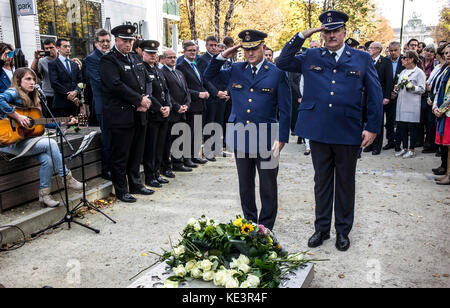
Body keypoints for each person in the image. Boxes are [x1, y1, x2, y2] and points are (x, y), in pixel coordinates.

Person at [277, 10, 383, 251]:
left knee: (345, 182)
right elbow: (282, 61)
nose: (332, 35)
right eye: (327, 30)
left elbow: (375, 95)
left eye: (336, 30)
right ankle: (322, 228)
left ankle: (343, 231)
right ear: (321, 33)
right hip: (319, 129)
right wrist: (303, 35)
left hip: (348, 130)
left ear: (345, 32)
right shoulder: (311, 55)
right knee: (322, 181)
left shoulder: (362, 58)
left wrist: (372, 127)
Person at [204, 29, 291, 231]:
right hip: (241, 135)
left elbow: (286, 109)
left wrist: (283, 137)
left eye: (254, 49)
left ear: (263, 47)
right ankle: (250, 223)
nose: (250, 53)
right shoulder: (236, 69)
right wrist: (223, 55)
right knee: (245, 184)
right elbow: (209, 76)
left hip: (267, 137)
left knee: (268, 184)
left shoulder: (276, 73)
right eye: (246, 49)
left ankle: (266, 226)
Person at [0, 68, 82, 207]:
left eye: (33, 79)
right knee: (50, 143)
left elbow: (41, 124)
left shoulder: (33, 99)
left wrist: (63, 122)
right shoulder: (13, 92)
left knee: (47, 160)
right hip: (10, 141)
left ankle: (44, 195)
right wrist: (17, 116)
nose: (32, 82)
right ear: (18, 81)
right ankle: (66, 177)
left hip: (25, 140)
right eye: (28, 79)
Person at [99, 25, 153, 203]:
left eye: (130, 41)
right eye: (124, 41)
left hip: (139, 114)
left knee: (137, 152)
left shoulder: (134, 58)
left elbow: (145, 80)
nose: (128, 44)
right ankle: (122, 190)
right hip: (120, 115)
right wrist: (139, 100)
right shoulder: (108, 60)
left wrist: (145, 100)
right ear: (116, 40)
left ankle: (136, 184)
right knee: (121, 155)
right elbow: (115, 85)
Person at [140, 40, 172, 188]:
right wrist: (160, 107)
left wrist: (168, 106)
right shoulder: (142, 69)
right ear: (143, 54)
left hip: (163, 113)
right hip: (153, 114)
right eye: (150, 53)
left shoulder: (158, 69)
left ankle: (157, 173)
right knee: (151, 147)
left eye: (154, 54)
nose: (152, 56)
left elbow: (166, 90)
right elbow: (147, 93)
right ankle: (150, 176)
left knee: (160, 146)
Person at [84, 28, 112, 181]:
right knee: (107, 139)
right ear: (96, 43)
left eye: (108, 41)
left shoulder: (112, 56)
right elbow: (99, 82)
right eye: (102, 41)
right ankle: (106, 169)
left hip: (116, 105)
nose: (105, 44)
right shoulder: (92, 59)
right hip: (104, 105)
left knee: (116, 139)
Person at [176, 41, 210, 166]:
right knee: (189, 132)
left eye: (194, 50)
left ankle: (195, 155)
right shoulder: (181, 66)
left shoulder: (194, 65)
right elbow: (183, 88)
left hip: (200, 104)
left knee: (197, 132)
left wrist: (205, 91)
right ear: (184, 51)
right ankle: (187, 158)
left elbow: (199, 83)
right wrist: (198, 94)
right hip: (191, 104)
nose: (192, 52)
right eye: (190, 50)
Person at [197, 36, 229, 161]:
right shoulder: (202, 59)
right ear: (206, 46)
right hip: (211, 96)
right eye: (211, 45)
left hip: (222, 96)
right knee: (210, 124)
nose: (213, 47)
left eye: (215, 45)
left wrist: (226, 91)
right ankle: (208, 151)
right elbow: (204, 79)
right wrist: (216, 92)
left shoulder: (220, 58)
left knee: (219, 123)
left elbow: (225, 76)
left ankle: (218, 148)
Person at [161, 49, 192, 174]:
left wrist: (187, 105)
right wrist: (176, 106)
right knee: (168, 141)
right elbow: (166, 92)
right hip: (172, 112)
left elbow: (186, 91)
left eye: (174, 57)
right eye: (170, 57)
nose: (173, 60)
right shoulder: (162, 72)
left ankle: (178, 162)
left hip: (182, 111)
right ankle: (166, 167)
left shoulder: (179, 73)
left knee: (179, 138)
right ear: (164, 59)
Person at [394, 51, 426, 159]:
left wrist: (412, 87)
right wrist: (396, 89)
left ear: (411, 59)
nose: (402, 59)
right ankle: (404, 148)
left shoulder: (419, 72)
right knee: (402, 127)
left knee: (412, 128)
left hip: (412, 104)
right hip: (401, 103)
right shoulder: (403, 72)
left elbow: (422, 89)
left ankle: (412, 149)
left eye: (404, 57)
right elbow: (399, 87)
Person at [366, 42, 393, 155]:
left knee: (378, 120)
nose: (369, 50)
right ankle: (369, 144)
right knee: (368, 120)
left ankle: (377, 146)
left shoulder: (385, 62)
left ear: (378, 50)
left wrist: (386, 96)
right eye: (369, 48)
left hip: (379, 96)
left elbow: (389, 80)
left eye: (371, 48)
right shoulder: (367, 61)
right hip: (367, 96)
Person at [429, 44, 450, 176]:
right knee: (446, 146)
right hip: (443, 112)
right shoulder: (445, 69)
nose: (447, 55)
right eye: (446, 53)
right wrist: (435, 106)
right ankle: (447, 172)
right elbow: (439, 90)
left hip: (447, 112)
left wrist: (441, 109)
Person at [48, 39, 82, 117]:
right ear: (58, 48)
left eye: (69, 46)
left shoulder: (74, 64)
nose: (68, 48)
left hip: (75, 104)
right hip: (61, 103)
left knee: (76, 128)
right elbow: (54, 83)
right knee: (63, 128)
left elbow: (80, 81)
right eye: (65, 46)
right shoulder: (53, 64)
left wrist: (76, 91)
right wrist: (68, 95)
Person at [384, 41, 406, 152]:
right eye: (390, 50)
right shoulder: (385, 60)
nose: (393, 53)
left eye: (395, 50)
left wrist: (396, 92)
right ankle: (390, 141)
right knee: (389, 121)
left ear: (400, 50)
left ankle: (398, 143)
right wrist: (388, 94)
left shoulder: (404, 60)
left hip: (401, 96)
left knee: (400, 121)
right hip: (388, 96)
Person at [30, 39, 58, 116]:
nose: (49, 50)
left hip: (62, 93)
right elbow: (33, 71)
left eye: (51, 47)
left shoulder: (61, 59)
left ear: (56, 47)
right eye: (46, 48)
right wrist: (36, 58)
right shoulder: (42, 61)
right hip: (48, 94)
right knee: (50, 119)